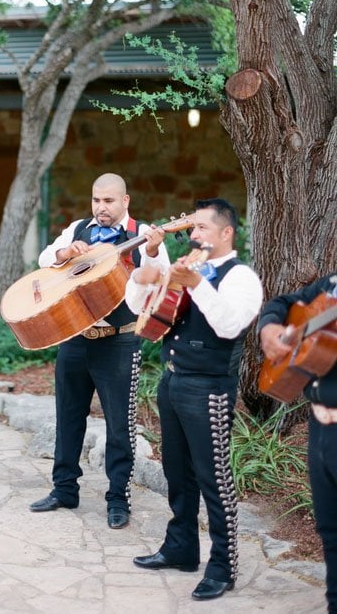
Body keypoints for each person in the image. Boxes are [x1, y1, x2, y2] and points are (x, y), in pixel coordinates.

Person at [126, 198, 263, 601]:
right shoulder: (188, 268)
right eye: (193, 228)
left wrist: (196, 284)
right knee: (177, 473)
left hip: (209, 389)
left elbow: (229, 325)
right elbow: (141, 313)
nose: (193, 235)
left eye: (202, 228)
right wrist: (145, 274)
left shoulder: (241, 278)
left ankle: (223, 565)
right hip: (172, 383)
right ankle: (182, 547)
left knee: (213, 478)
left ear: (225, 233)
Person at [29, 172, 170, 529]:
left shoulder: (144, 234)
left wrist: (150, 252)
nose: (100, 207)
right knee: (68, 416)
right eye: (96, 200)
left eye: (108, 201)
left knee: (119, 425)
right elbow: (46, 257)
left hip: (119, 341)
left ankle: (118, 498)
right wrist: (65, 252)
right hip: (75, 337)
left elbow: (162, 279)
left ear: (125, 201)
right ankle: (64, 489)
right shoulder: (79, 228)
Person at [258, 272, 337, 614]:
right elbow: (284, 303)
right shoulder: (333, 283)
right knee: (330, 530)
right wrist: (270, 328)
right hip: (320, 428)